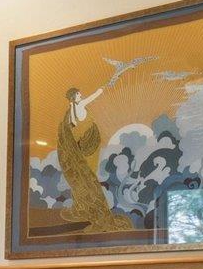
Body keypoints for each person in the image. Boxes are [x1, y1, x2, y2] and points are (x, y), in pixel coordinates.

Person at [56, 65, 141, 234]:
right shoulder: (79, 107)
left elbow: (72, 135)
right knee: (90, 177)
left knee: (85, 178)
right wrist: (107, 85)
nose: (82, 95)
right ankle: (91, 209)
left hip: (83, 148)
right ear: (75, 97)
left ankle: (83, 206)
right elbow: (95, 95)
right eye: (79, 94)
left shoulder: (70, 113)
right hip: (89, 149)